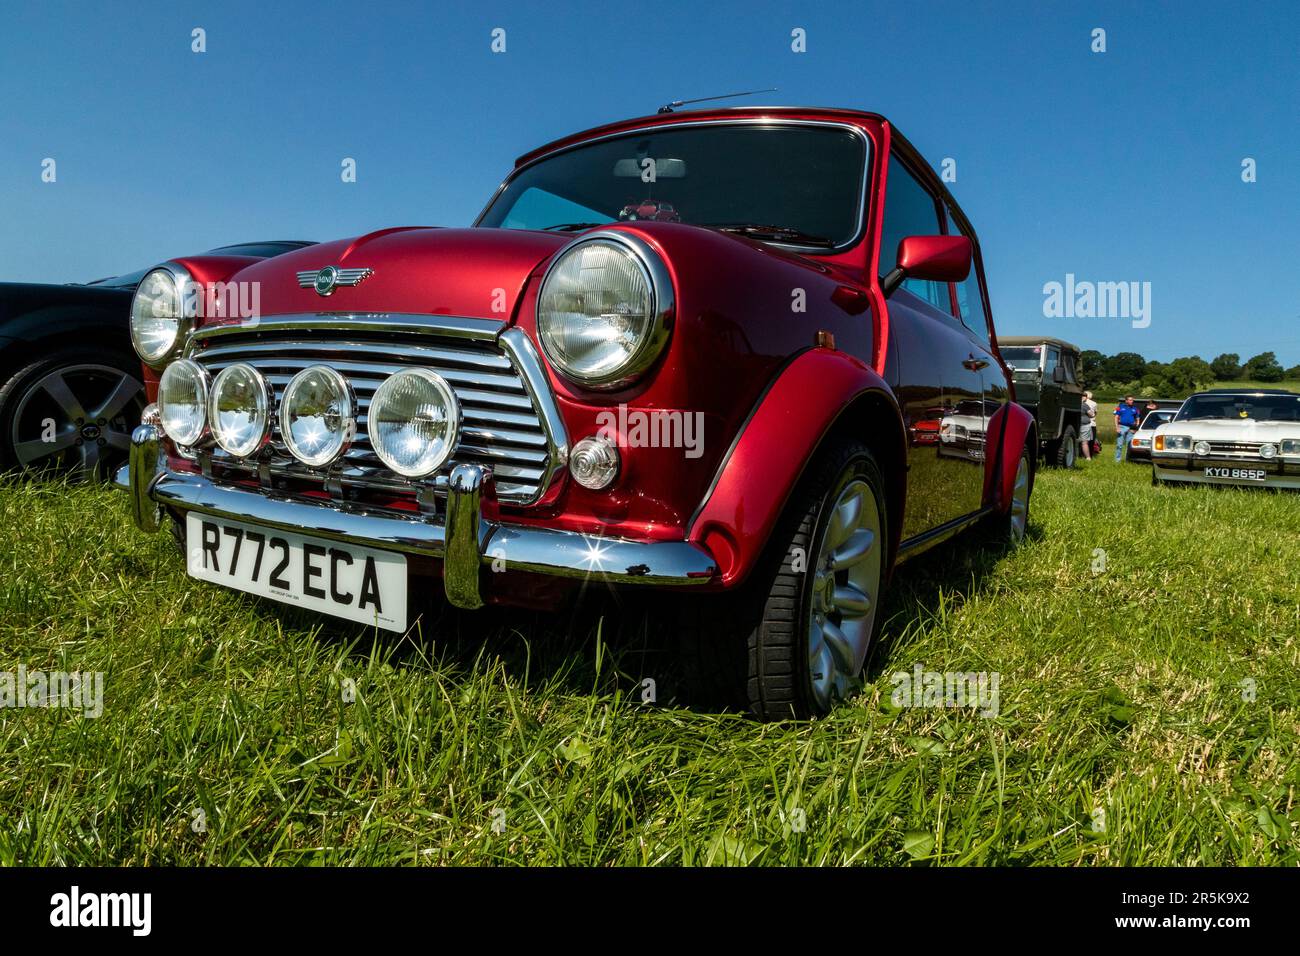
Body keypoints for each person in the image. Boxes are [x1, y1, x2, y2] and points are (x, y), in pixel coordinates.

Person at [1114, 395, 1141, 461]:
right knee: (1119, 445)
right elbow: (1116, 417)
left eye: (1132, 400)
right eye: (1130, 400)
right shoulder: (1120, 407)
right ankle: (1117, 460)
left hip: (1131, 428)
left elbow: (1138, 419)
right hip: (1122, 427)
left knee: (1129, 446)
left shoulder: (1135, 409)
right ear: (1126, 401)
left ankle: (1127, 460)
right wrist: (1117, 427)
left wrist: (1136, 428)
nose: (1132, 401)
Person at [1079, 390, 1097, 460]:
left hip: (1076, 424)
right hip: (1084, 424)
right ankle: (1088, 457)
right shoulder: (1084, 405)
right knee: (1084, 442)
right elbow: (1092, 414)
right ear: (1084, 397)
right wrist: (1093, 414)